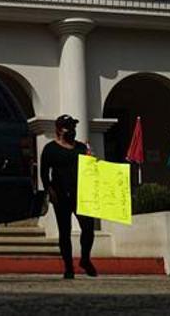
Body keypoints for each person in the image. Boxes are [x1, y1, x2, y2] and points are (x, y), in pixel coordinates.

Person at [40, 114, 98, 279]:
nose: (71, 130)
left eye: (73, 127)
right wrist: (49, 191)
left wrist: (91, 159)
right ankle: (68, 267)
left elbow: (91, 169)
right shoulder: (50, 149)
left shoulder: (80, 148)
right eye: (68, 127)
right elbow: (44, 173)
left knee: (88, 228)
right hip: (61, 196)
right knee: (64, 232)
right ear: (59, 130)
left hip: (81, 195)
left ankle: (85, 259)